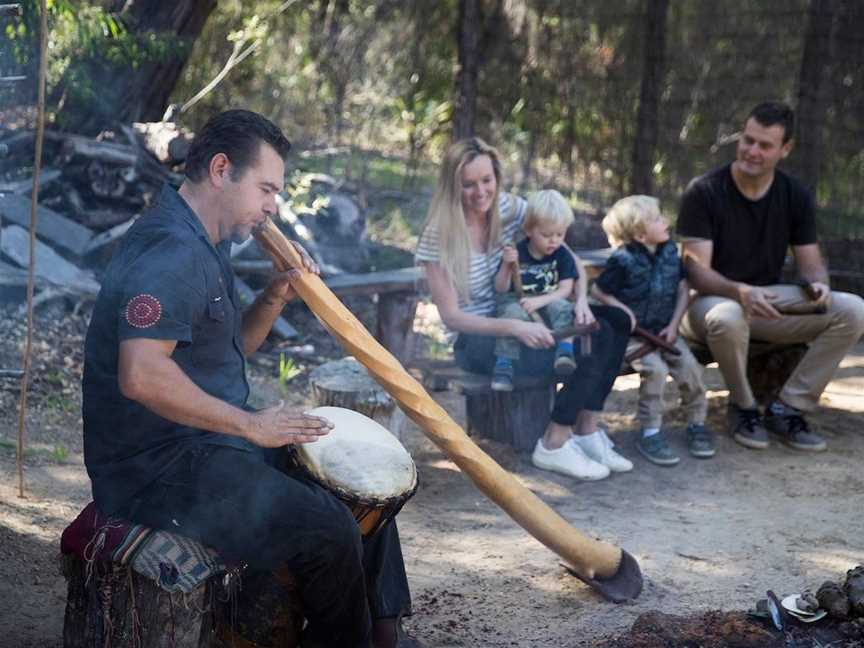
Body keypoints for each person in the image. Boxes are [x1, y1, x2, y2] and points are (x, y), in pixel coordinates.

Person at [82, 110, 421, 648]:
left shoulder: (208, 239)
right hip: (154, 470)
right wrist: (249, 424)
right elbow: (141, 375)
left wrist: (275, 295)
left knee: (357, 485)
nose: (273, 207)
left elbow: (225, 345)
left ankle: (385, 633)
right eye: (267, 188)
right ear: (221, 170)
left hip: (210, 445)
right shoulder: (172, 251)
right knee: (329, 529)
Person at [416, 137, 633, 481]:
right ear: (453, 184)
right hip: (480, 341)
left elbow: (567, 254)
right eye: (469, 184)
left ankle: (586, 430)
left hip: (530, 313)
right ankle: (555, 442)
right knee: (590, 345)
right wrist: (515, 328)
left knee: (615, 321)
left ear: (497, 177)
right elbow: (452, 317)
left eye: (487, 180)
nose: (480, 192)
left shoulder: (510, 209)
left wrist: (579, 301)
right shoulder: (438, 235)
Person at [677, 101, 864, 452]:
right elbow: (696, 271)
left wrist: (819, 284)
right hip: (707, 306)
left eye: (764, 145)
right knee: (728, 315)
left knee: (854, 309)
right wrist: (740, 291)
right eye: (748, 140)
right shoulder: (703, 191)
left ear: (785, 149)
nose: (752, 151)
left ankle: (788, 407)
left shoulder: (795, 195)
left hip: (766, 303)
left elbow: (810, 264)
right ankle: (744, 407)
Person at [592, 195, 713, 466]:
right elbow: (598, 291)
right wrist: (622, 312)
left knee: (689, 367)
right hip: (633, 338)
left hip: (666, 332)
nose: (665, 222)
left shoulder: (671, 252)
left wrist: (673, 325)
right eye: (657, 219)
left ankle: (696, 423)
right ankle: (650, 432)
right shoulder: (622, 260)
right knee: (655, 370)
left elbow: (684, 289)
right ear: (639, 232)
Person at [491, 190, 581, 391]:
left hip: (549, 300)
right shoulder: (518, 252)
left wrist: (541, 301)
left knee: (564, 308)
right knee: (510, 315)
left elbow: (566, 289)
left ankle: (565, 352)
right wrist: (506, 266)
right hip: (518, 301)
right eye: (547, 235)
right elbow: (500, 288)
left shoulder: (562, 254)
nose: (554, 241)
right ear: (529, 230)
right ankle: (504, 364)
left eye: (560, 234)